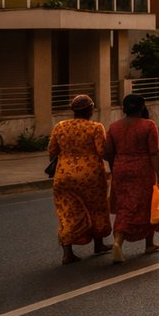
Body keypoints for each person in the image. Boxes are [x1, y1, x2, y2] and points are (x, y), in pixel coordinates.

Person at [47, 94, 112, 264]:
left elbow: (52, 151)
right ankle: (99, 244)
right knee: (97, 208)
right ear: (90, 110)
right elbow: (102, 152)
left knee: (67, 212)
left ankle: (67, 253)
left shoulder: (60, 127)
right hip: (91, 176)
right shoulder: (96, 128)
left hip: (64, 176)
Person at [104, 93, 159, 264]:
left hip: (121, 169)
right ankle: (139, 243)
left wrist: (115, 167)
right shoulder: (148, 125)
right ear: (142, 107)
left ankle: (128, 242)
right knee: (147, 205)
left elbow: (107, 151)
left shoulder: (114, 126)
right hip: (143, 171)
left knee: (125, 206)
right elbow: (154, 152)